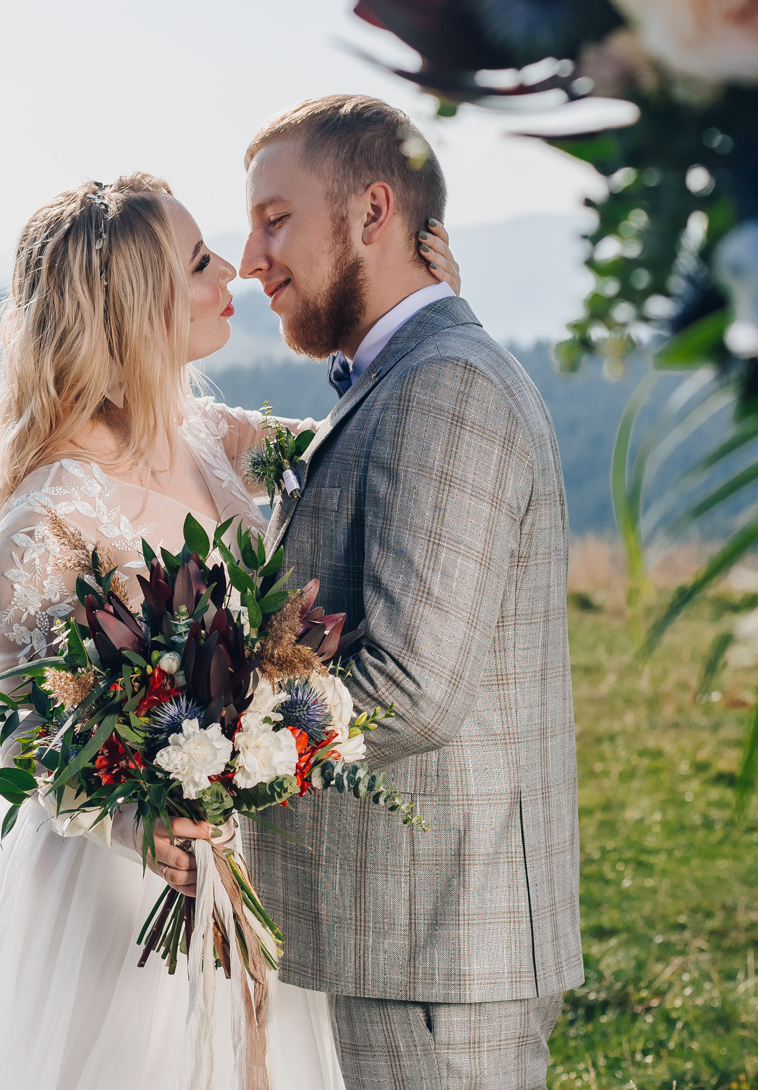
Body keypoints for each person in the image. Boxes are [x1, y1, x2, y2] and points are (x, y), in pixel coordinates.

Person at [0, 171, 461, 1090]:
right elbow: (28, 729)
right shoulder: (50, 515)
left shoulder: (210, 433)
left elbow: (361, 446)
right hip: (116, 895)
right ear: (134, 308)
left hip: (246, 860)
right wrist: (136, 827)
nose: (230, 275)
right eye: (199, 262)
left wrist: (428, 311)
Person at [238, 95, 580, 1090]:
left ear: (371, 211)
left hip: (432, 947)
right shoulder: (400, 378)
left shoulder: (443, 386)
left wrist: (211, 734)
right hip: (405, 938)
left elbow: (412, 683)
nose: (254, 259)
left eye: (273, 219)